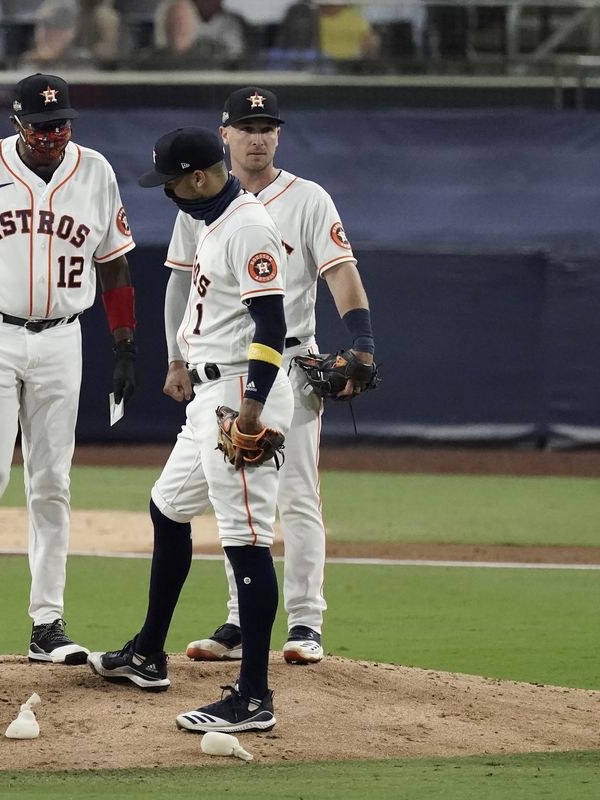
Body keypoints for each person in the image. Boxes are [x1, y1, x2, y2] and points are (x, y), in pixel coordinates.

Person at [0, 73, 137, 665]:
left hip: (63, 338)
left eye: (61, 122)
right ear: (17, 123)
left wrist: (124, 346)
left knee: (52, 482)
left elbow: (114, 266)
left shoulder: (95, 171)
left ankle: (48, 622)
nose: (53, 133)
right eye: (42, 125)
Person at [88, 126, 291, 734]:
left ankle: (254, 695)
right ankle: (150, 653)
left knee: (246, 540)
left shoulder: (248, 226)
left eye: (172, 181)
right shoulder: (211, 221)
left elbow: (272, 322)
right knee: (168, 507)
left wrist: (252, 405)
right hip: (208, 392)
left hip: (237, 394)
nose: (168, 192)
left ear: (200, 177)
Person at [182, 87, 375, 667]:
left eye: (268, 126)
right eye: (247, 126)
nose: (259, 136)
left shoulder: (308, 198)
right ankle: (241, 620)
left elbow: (339, 270)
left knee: (295, 496)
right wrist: (175, 356)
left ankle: (306, 623)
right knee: (234, 497)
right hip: (223, 369)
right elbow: (180, 282)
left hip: (289, 363)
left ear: (279, 135)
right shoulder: (203, 200)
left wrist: (362, 339)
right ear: (226, 135)